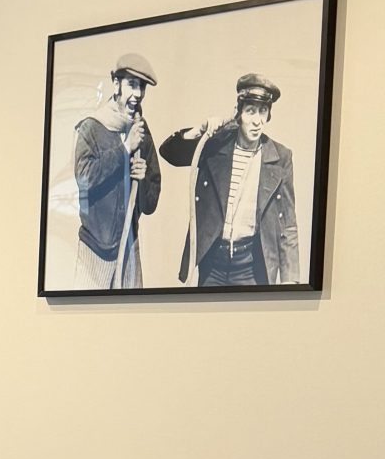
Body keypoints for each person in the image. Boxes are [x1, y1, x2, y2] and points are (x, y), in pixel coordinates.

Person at [160, 74, 301, 287]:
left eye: (263, 111)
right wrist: (199, 130)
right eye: (250, 111)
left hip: (252, 267)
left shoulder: (281, 158)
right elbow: (170, 153)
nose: (257, 121)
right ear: (238, 112)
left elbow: (288, 224)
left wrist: (290, 279)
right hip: (212, 264)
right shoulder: (215, 145)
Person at [73, 58, 161, 289]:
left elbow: (150, 204)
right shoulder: (91, 127)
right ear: (116, 84)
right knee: (86, 311)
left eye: (142, 87)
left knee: (132, 312)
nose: (138, 94)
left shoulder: (141, 131)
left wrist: (142, 180)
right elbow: (84, 178)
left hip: (130, 248)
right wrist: (125, 149)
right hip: (95, 250)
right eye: (132, 84)